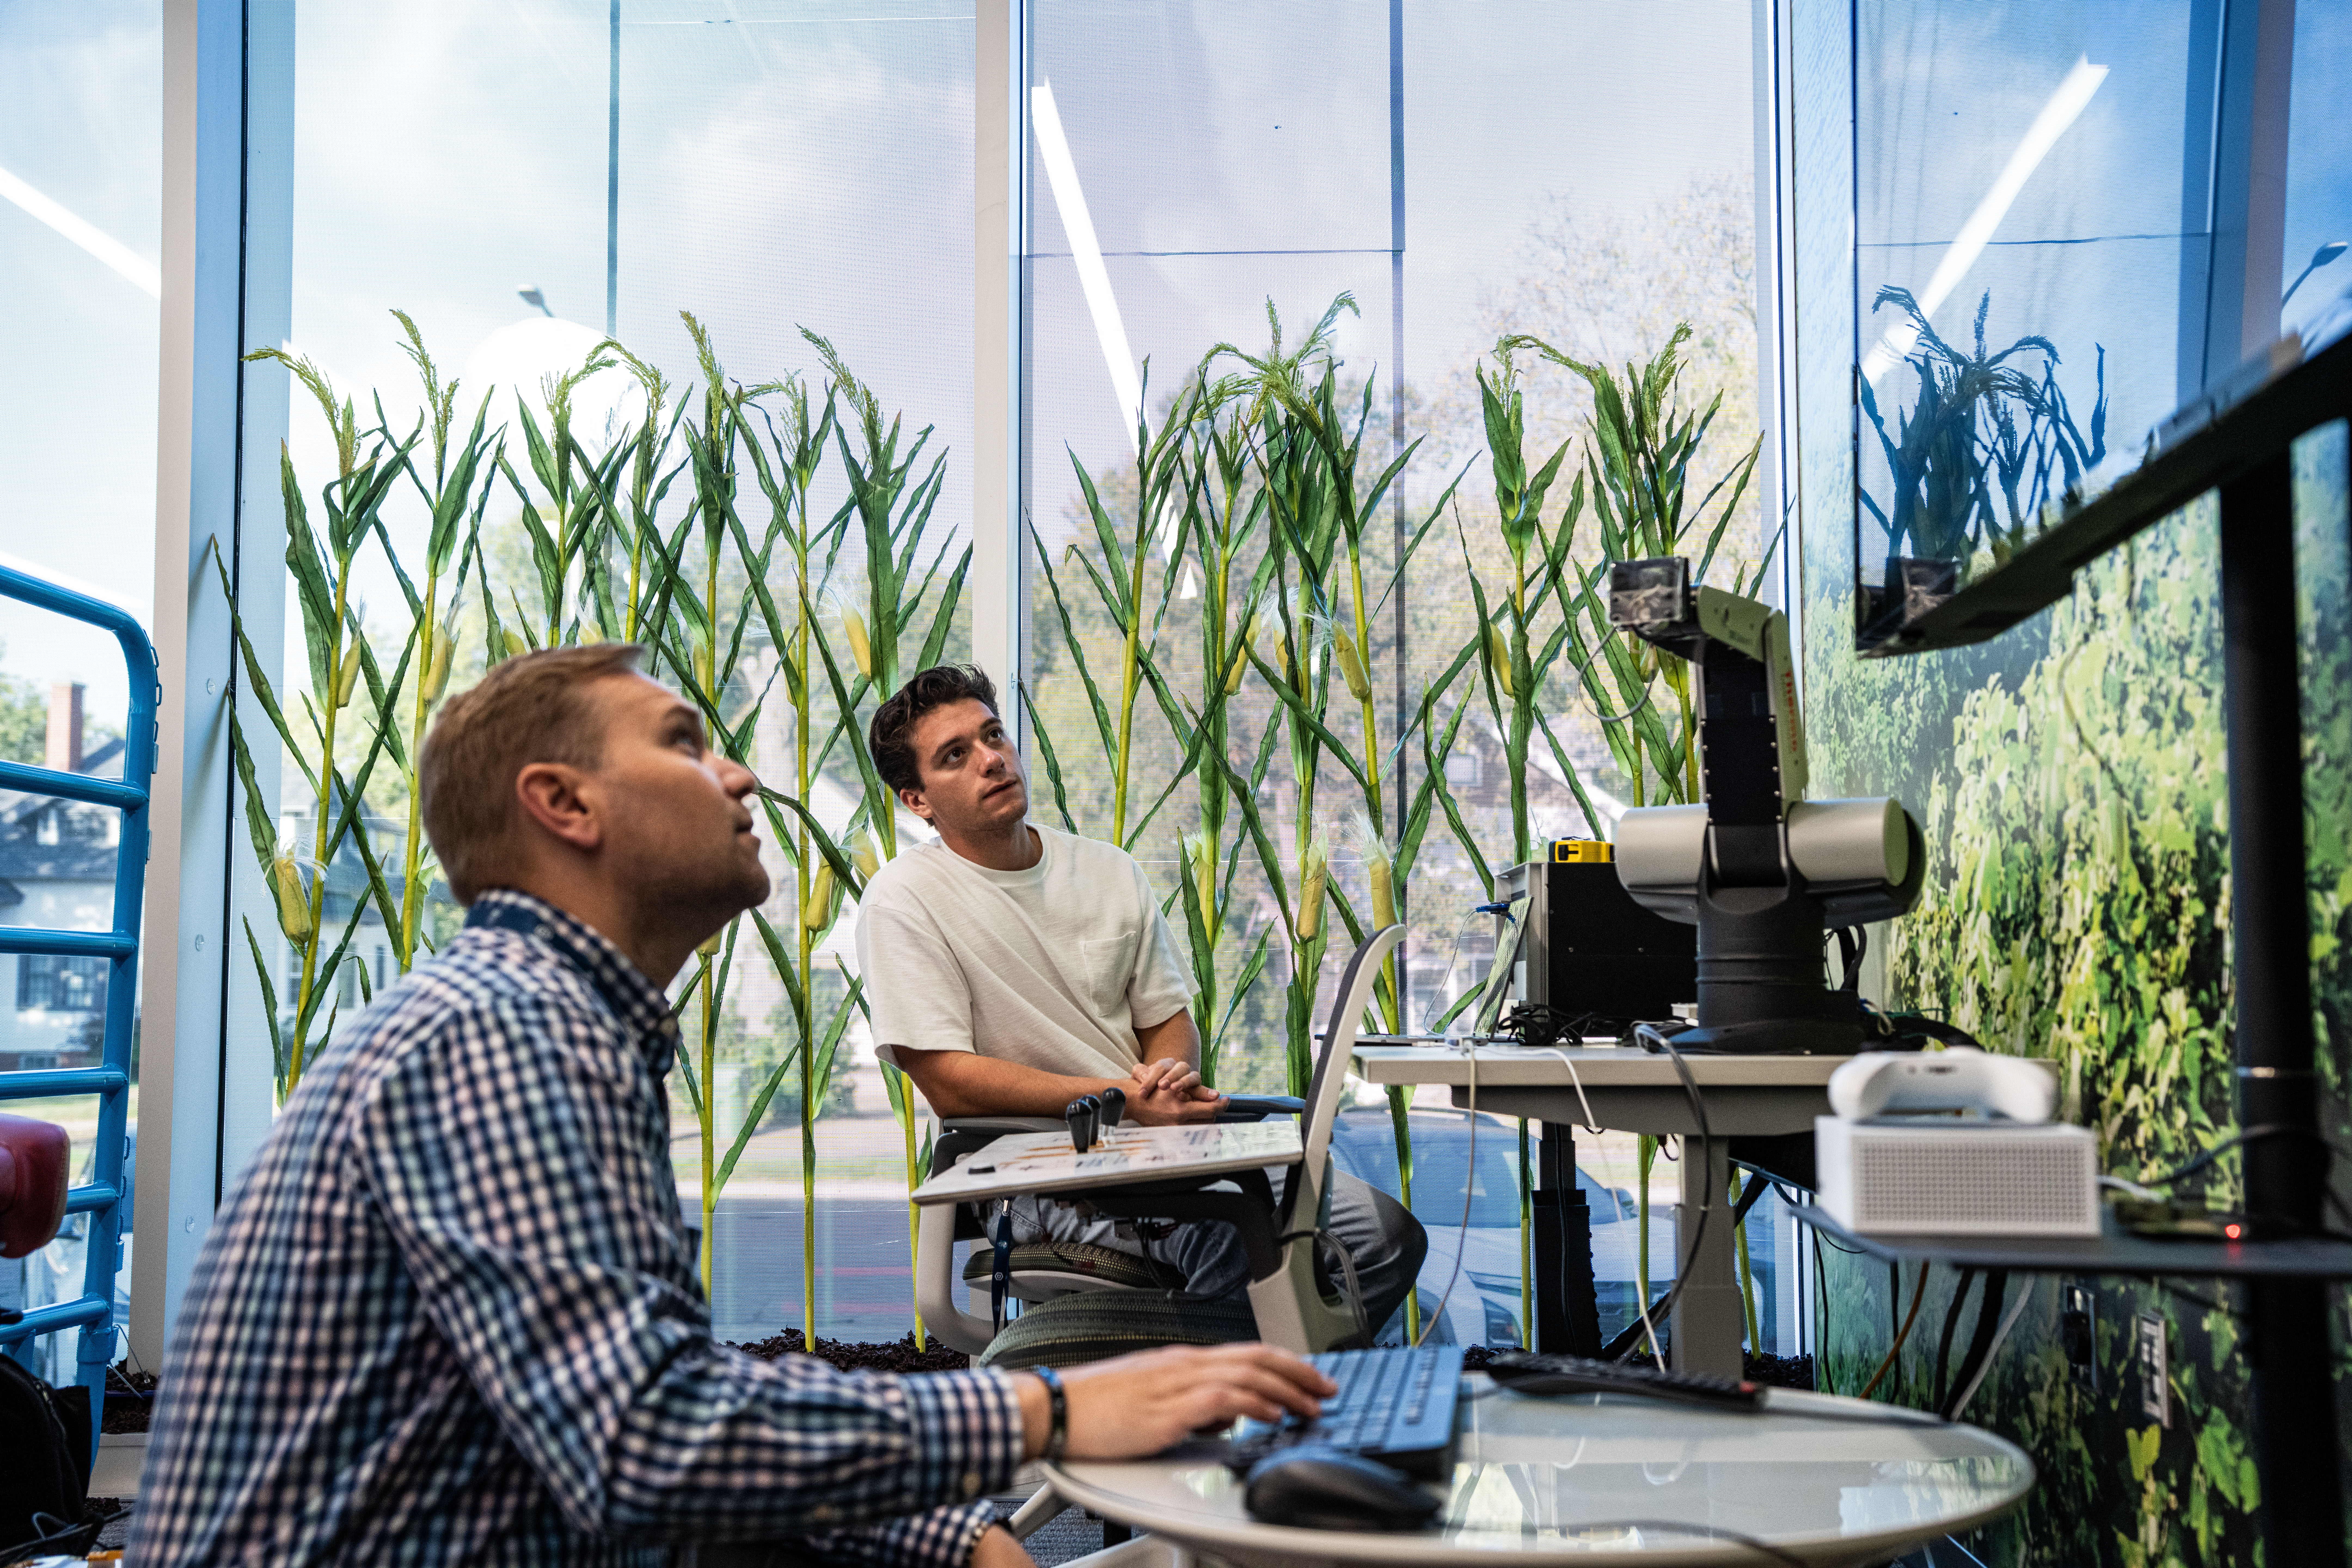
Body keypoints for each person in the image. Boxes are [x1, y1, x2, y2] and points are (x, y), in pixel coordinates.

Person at [130, 645, 1333, 1568]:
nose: (743, 772)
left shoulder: (555, 1020)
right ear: (566, 805)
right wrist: (1048, 1408)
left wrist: (933, 1533)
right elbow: (645, 1440)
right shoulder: (503, 1034)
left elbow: (614, 1400)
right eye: (685, 742)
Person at [855, 664, 1425, 1332]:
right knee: (1238, 1239)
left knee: (1386, 1238)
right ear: (917, 800)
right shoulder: (903, 900)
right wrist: (1127, 1101)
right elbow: (953, 1084)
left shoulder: (1107, 871)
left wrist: (1167, 1077)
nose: (991, 760)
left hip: (1160, 1143)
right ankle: (1213, 1412)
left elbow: (1168, 1023)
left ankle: (1272, 1400)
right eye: (957, 756)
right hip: (1038, 1165)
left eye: (993, 736)